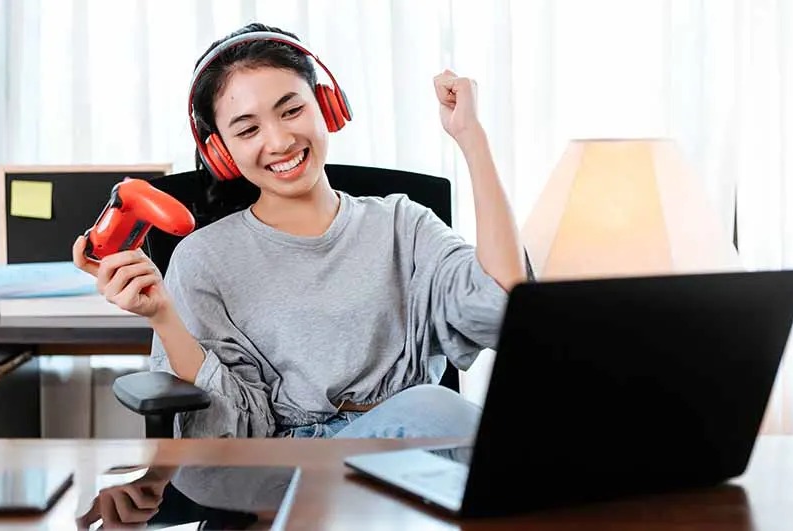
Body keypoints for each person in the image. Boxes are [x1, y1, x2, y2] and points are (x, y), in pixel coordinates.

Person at [72, 22, 526, 439]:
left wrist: (471, 138)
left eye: (290, 110)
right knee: (446, 416)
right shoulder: (202, 259)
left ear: (326, 106)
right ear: (222, 154)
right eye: (247, 130)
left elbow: (504, 308)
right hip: (291, 466)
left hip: (415, 452)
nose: (279, 141)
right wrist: (162, 316)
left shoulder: (402, 225)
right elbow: (229, 429)